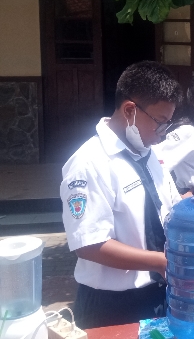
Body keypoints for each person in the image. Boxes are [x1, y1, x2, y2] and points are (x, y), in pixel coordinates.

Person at [60, 61, 182, 329]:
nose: (162, 133)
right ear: (130, 110)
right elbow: (89, 244)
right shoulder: (89, 163)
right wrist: (161, 261)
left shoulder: (149, 154)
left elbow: (166, 208)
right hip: (112, 306)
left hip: (158, 294)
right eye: (160, 122)